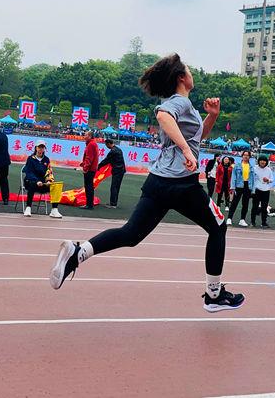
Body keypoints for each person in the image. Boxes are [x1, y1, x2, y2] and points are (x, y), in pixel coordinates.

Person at [49, 53, 244, 313]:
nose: (192, 73)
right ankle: (214, 294)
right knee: (218, 227)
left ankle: (79, 252)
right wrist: (186, 151)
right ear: (181, 77)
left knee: (131, 234)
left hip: (158, 183)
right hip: (181, 184)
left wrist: (212, 117)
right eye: (189, 70)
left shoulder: (181, 104)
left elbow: (194, 138)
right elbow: (163, 117)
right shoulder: (178, 102)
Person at [22, 140, 63, 219]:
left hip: (43, 183)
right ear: (36, 148)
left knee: (56, 186)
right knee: (32, 184)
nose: (40, 149)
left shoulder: (46, 159)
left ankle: (54, 210)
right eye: (39, 147)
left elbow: (49, 172)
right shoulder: (30, 159)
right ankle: (28, 207)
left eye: (42, 147)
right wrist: (37, 181)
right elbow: (29, 172)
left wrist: (48, 180)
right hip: (31, 181)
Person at [98, 136, 126, 209]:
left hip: (117, 170)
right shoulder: (118, 149)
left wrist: (98, 166)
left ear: (108, 144)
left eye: (106, 145)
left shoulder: (113, 151)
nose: (106, 146)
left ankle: (113, 204)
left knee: (114, 187)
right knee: (116, 187)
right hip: (121, 170)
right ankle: (113, 202)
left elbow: (106, 160)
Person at [228, 150, 253, 226]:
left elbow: (253, 179)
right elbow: (233, 177)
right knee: (234, 202)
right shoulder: (237, 165)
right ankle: (229, 218)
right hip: (239, 185)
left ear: (249, 157)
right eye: (244, 155)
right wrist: (232, 187)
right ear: (242, 156)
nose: (246, 156)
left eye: (247, 155)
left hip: (247, 185)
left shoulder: (251, 167)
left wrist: (253, 189)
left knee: (245, 203)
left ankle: (242, 219)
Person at [249, 155, 273, 228]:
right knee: (255, 206)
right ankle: (253, 221)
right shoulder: (254, 168)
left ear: (266, 162)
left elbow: (272, 179)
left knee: (264, 207)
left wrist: (268, 180)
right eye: (261, 160)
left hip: (266, 190)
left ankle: (264, 222)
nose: (262, 162)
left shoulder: (268, 170)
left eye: (264, 161)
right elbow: (251, 178)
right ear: (259, 161)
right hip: (257, 190)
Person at [79, 130, 99, 210]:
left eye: (85, 135)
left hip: (90, 169)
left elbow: (89, 158)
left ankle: (89, 204)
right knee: (89, 186)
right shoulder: (93, 144)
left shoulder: (91, 144)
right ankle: (89, 203)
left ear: (90, 136)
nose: (84, 136)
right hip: (92, 168)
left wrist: (85, 168)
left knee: (88, 187)